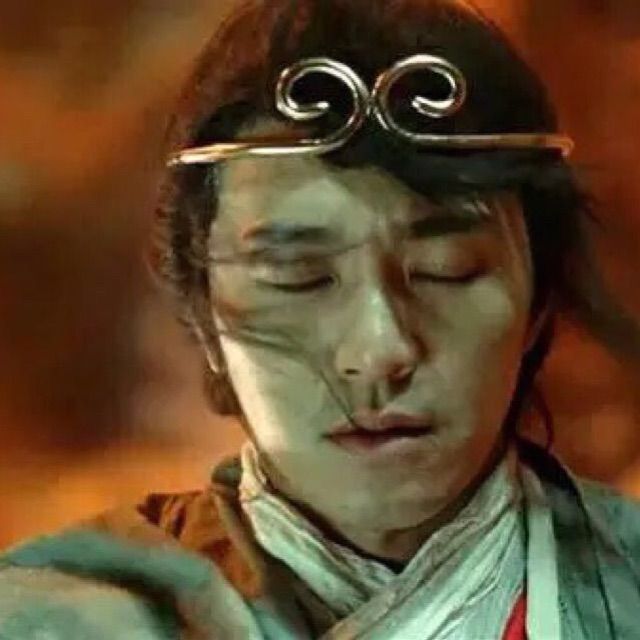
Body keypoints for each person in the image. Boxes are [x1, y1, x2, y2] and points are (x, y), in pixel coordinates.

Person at [1, 0, 639, 638]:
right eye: (297, 277)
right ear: (203, 316)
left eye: (445, 270)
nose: (380, 350)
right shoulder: (60, 620)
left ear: (538, 299)